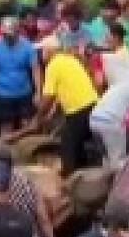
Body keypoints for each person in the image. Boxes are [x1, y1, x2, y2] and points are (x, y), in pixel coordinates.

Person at [36, 36, 98, 176]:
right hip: (92, 105)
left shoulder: (53, 65)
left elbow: (48, 98)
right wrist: (50, 113)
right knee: (77, 143)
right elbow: (61, 92)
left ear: (49, 51)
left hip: (79, 109)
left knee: (68, 146)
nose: (41, 55)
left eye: (42, 51)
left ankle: (71, 181)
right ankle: (83, 175)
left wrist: (38, 118)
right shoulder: (69, 59)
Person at [0, 17, 41, 135]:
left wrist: (38, 91)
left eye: (11, 34)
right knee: (6, 126)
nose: (8, 37)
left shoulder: (28, 46)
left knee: (26, 125)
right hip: (1, 92)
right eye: (5, 34)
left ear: (18, 32)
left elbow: (35, 69)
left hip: (24, 92)